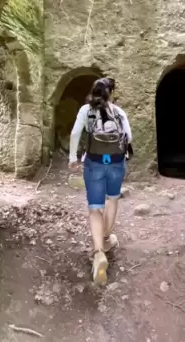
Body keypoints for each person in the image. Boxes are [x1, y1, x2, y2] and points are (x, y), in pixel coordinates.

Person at [68, 77, 132, 286]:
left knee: (95, 208)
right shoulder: (119, 112)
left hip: (94, 163)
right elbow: (128, 138)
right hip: (116, 163)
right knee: (112, 200)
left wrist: (72, 159)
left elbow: (76, 132)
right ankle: (106, 239)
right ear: (111, 93)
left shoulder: (86, 111)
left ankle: (98, 254)